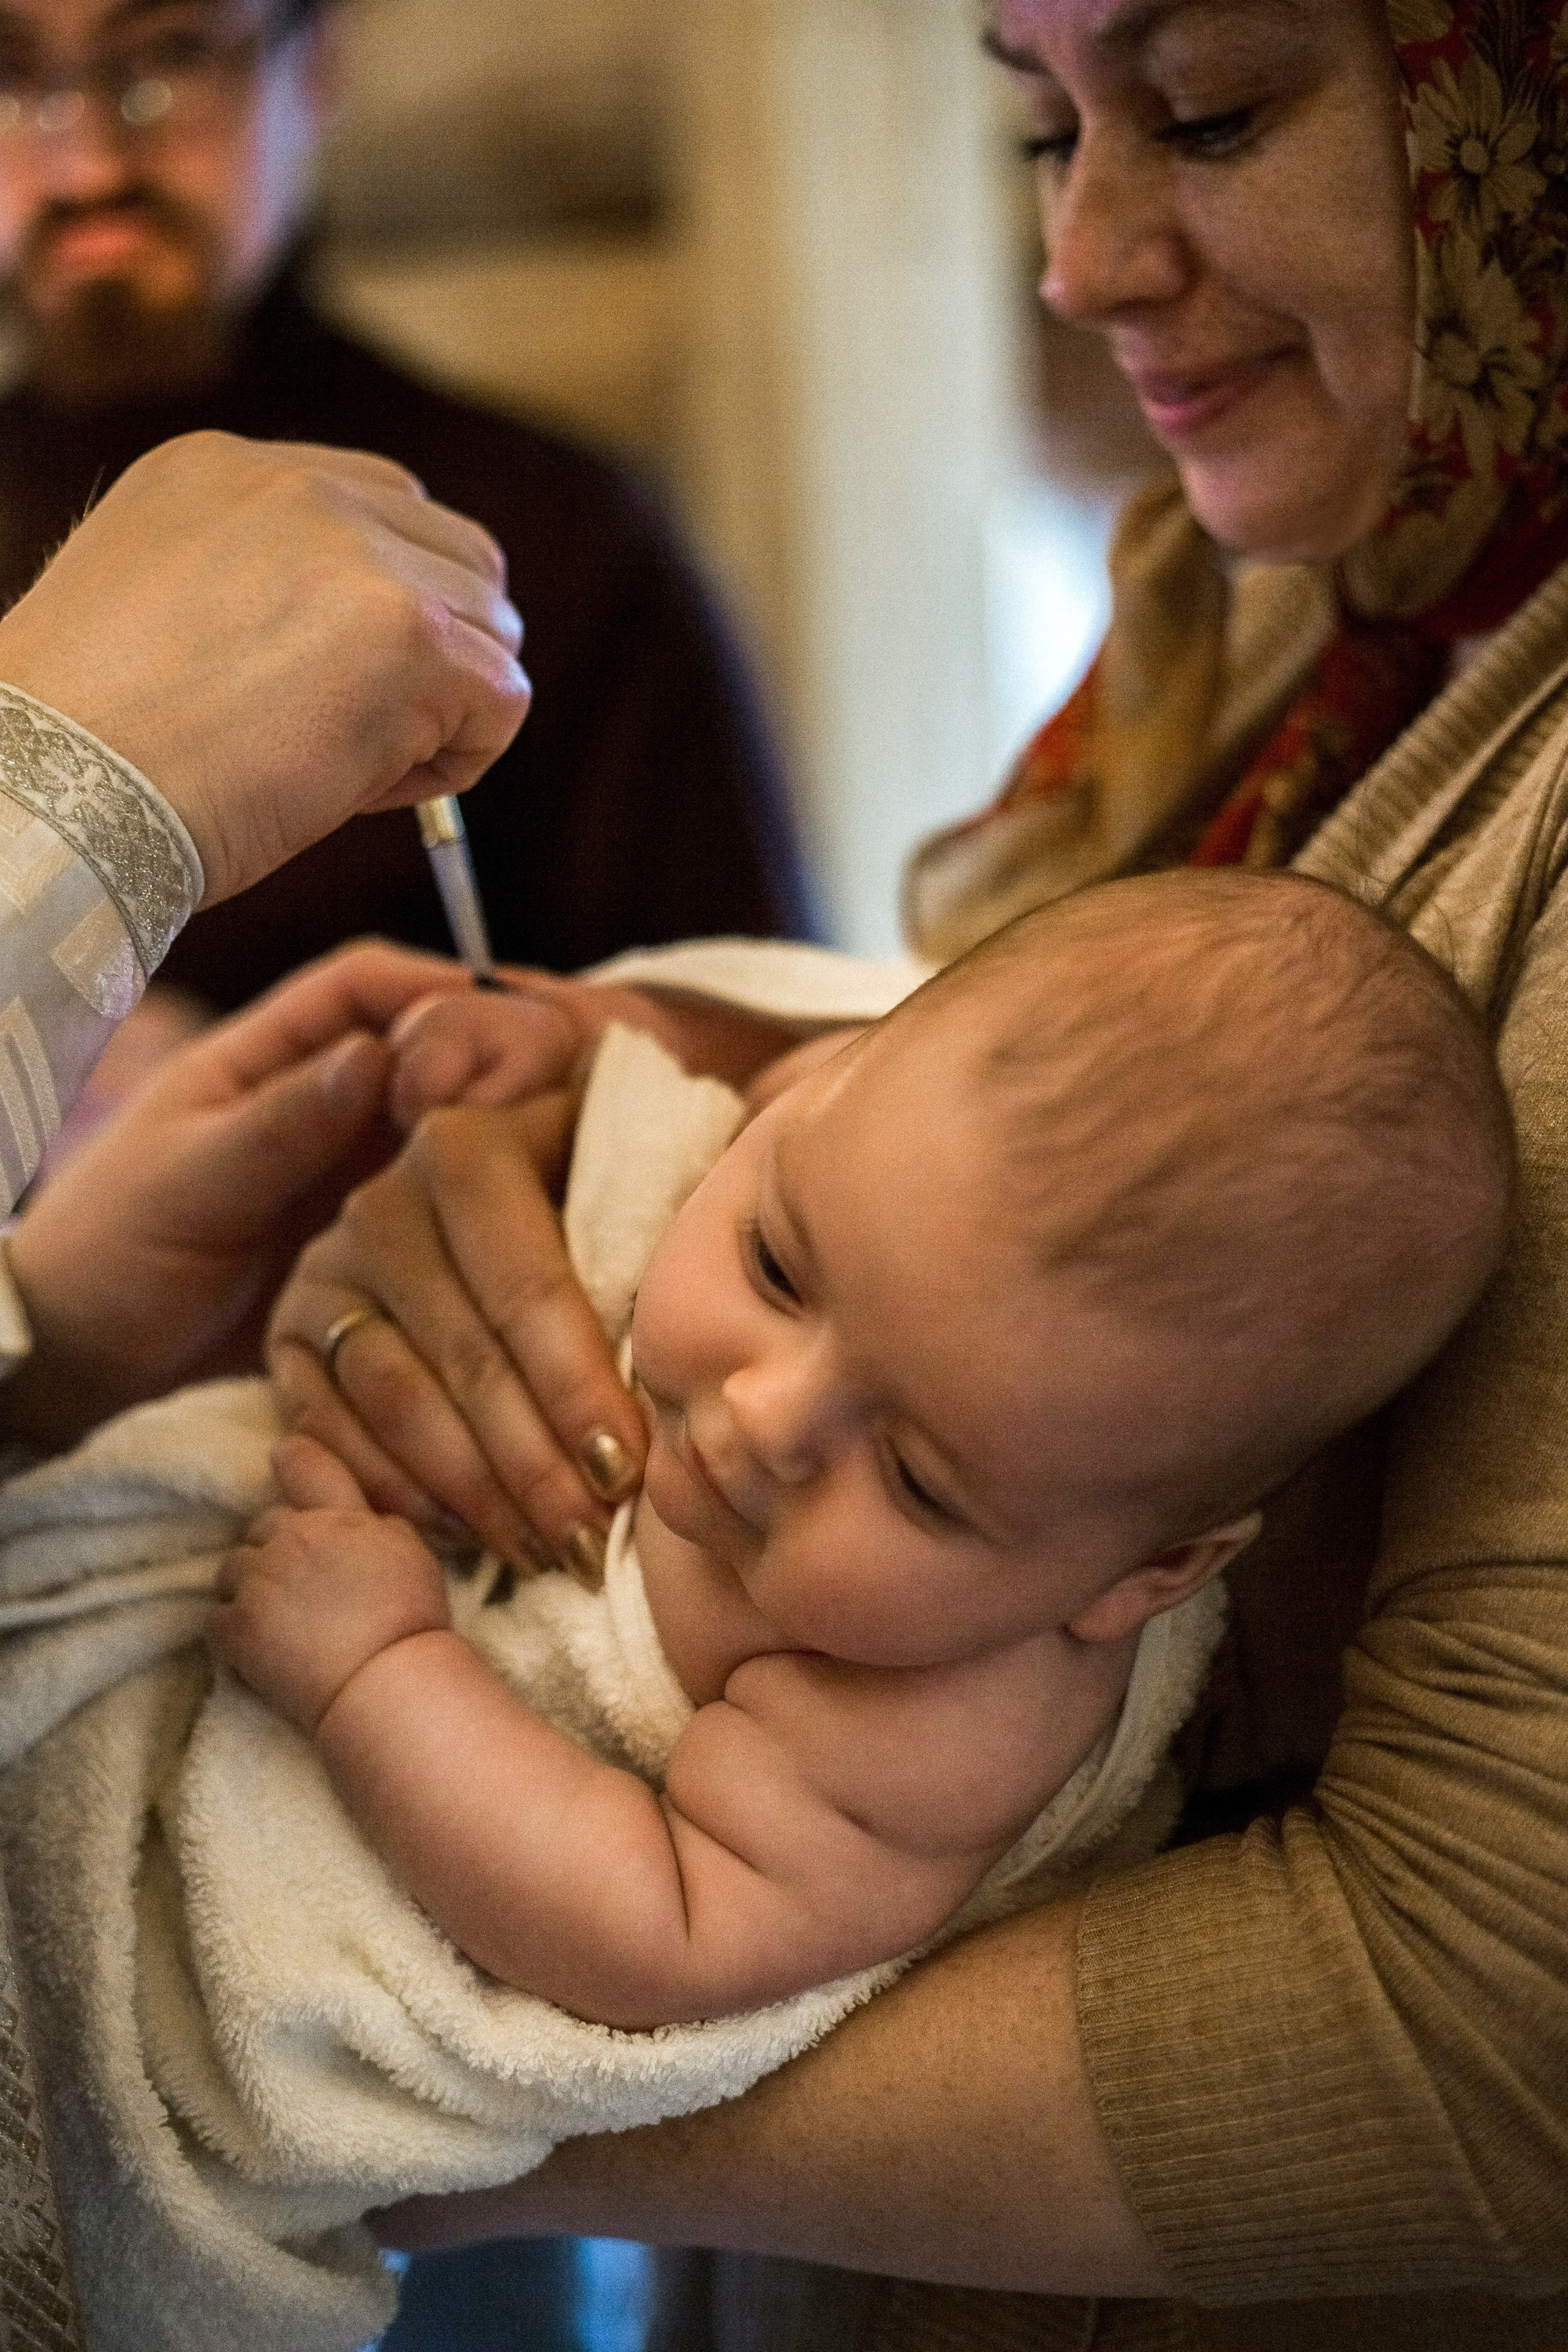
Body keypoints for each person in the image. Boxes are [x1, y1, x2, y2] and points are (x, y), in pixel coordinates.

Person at [196, 0, 1568, 2344]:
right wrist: (630, 1083)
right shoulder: (1331, 585)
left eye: (1211, 108)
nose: (1079, 258)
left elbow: (1480, 2046)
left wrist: (340, 2078)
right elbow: (1027, 1154)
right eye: (1043, 122)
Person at [206, 872, 1510, 2041]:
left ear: (1148, 1572)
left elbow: (660, 1932)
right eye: (776, 1266)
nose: (766, 1420)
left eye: (917, 1480)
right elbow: (723, 1063)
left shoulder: (933, 1722)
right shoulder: (866, 1144)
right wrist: (566, 1048)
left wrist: (376, 1674)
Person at [0, 0, 811, 1016]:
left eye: (167, 57)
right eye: (9, 72)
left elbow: (737, 1051)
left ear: (315, 67)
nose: (87, 166)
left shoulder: (553, 536)